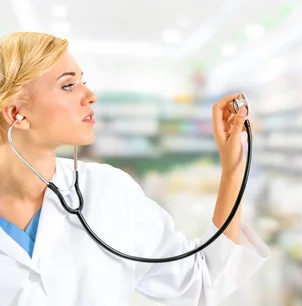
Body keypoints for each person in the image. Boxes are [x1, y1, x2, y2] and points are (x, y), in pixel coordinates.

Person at [0, 32, 269, 306]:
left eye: (83, 82)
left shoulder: (111, 190)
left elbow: (198, 281)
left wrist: (232, 167)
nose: (91, 96)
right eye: (68, 85)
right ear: (16, 114)